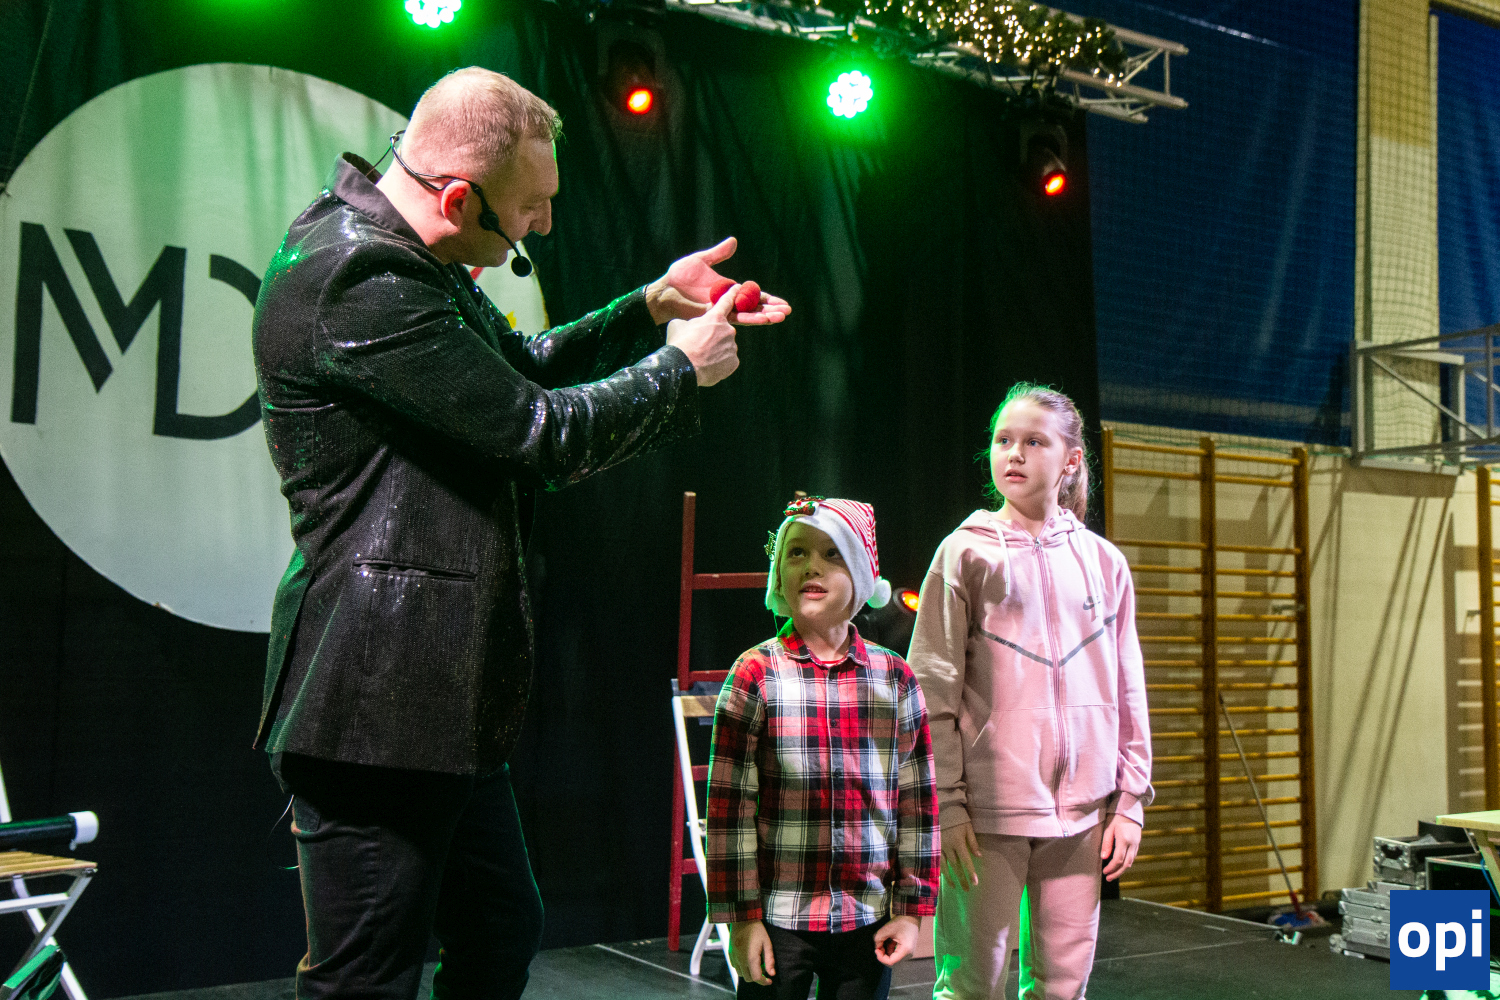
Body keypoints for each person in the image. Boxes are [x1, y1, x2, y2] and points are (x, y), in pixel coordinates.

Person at [250, 66, 788, 999]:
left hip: (431, 702)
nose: (540, 226)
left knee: (499, 928)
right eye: (528, 210)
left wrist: (650, 307)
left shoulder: (408, 258)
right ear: (459, 198)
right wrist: (677, 370)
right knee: (365, 979)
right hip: (376, 705)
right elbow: (540, 431)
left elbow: (520, 371)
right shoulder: (359, 275)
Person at [907, 383, 1153, 1000]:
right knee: (970, 985)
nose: (1013, 453)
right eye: (1003, 440)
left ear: (1071, 459)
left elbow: (1128, 689)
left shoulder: (1104, 563)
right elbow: (931, 690)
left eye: (1034, 442)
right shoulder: (963, 553)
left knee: (1062, 986)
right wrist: (948, 805)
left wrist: (1129, 800)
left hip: (1083, 813)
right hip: (986, 814)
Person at [706, 496, 939, 999]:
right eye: (797, 553)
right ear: (778, 576)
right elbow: (729, 812)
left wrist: (911, 910)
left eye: (832, 554)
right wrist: (742, 919)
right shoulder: (754, 675)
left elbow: (917, 804)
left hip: (867, 917)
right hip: (779, 917)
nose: (812, 566)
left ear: (861, 575)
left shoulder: (895, 679)